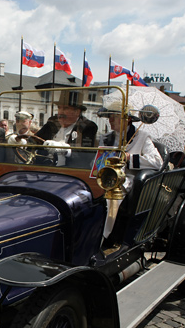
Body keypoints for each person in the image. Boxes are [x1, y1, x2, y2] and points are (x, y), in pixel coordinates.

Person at [97, 100, 163, 245]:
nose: (110, 120)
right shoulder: (106, 138)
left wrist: (129, 158)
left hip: (127, 179)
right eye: (109, 116)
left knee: (109, 199)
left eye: (114, 116)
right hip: (104, 177)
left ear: (127, 119)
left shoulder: (142, 137)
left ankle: (104, 239)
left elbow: (157, 162)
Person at [35, 90, 98, 166]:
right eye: (59, 108)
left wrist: (64, 149)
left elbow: (85, 156)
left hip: (69, 172)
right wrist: (21, 141)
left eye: (65, 108)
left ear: (77, 111)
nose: (60, 112)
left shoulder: (87, 127)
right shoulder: (52, 122)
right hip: (44, 168)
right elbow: (35, 140)